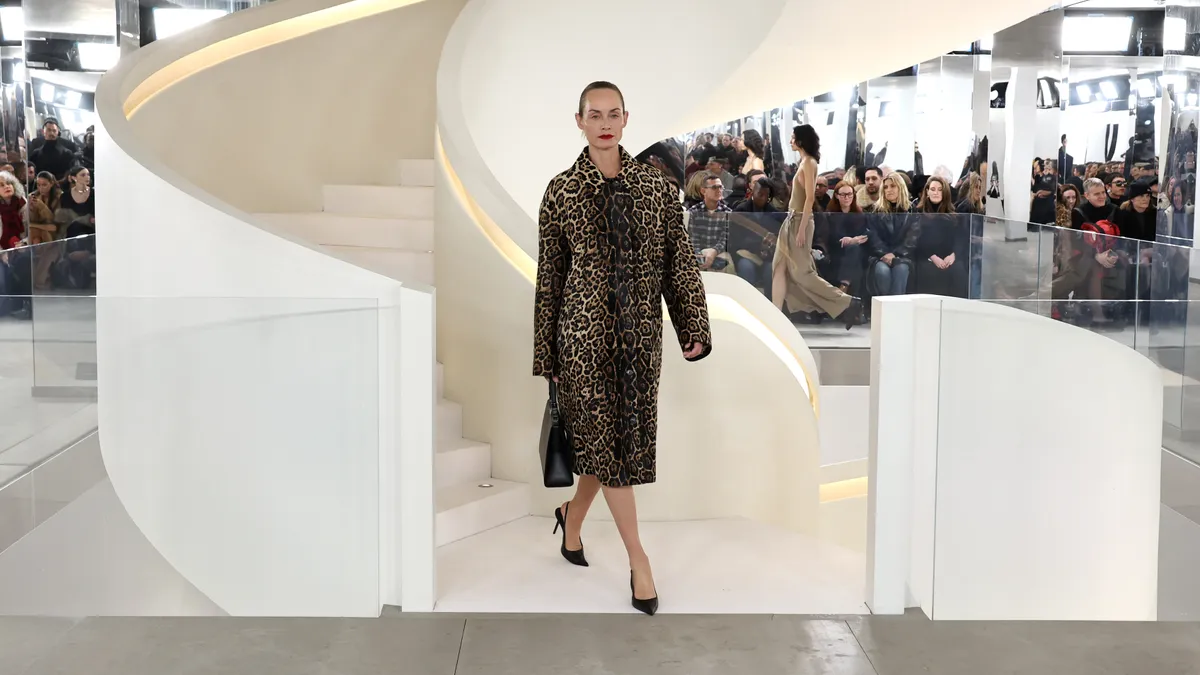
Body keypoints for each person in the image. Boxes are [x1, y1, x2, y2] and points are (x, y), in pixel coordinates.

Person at [533, 81, 712, 616]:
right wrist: (548, 360)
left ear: (626, 119)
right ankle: (640, 561)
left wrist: (692, 327)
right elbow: (550, 282)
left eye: (614, 114)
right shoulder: (561, 191)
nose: (605, 122)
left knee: (612, 447)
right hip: (581, 343)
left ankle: (572, 520)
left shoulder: (656, 191)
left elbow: (677, 263)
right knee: (611, 455)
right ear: (579, 120)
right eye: (595, 114)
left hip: (640, 341)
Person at [771, 125, 863, 328]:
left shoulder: (810, 163)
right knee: (779, 267)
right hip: (792, 219)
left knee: (803, 273)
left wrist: (802, 228)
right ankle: (775, 316)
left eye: (793, 137)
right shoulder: (805, 162)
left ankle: (847, 302)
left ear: (801, 140)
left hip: (799, 221)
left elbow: (810, 198)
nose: (790, 141)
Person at [912, 176, 966, 297]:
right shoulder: (918, 212)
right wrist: (933, 257)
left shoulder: (954, 214)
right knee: (929, 271)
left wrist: (953, 255)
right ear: (927, 192)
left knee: (959, 271)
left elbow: (960, 238)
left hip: (949, 257)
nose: (936, 192)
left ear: (945, 192)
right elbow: (916, 239)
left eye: (940, 189)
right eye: (933, 189)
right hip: (925, 256)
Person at [866, 172, 917, 296]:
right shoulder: (875, 210)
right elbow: (872, 235)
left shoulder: (912, 209)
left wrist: (895, 254)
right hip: (879, 256)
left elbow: (913, 237)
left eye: (892, 186)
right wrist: (885, 254)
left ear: (900, 187)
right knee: (882, 271)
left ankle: (896, 310)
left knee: (901, 270)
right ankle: (884, 309)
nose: (888, 190)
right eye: (885, 187)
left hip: (903, 256)